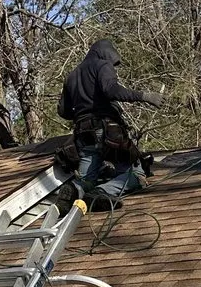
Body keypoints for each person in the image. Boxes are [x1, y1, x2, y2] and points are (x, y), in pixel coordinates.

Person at [56, 40, 163, 208]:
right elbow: (110, 90)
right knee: (137, 174)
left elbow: (63, 111)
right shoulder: (102, 65)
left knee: (86, 179)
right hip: (108, 131)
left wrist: (83, 109)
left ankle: (74, 189)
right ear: (105, 53)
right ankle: (102, 193)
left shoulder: (72, 75)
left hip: (83, 134)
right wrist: (144, 96)